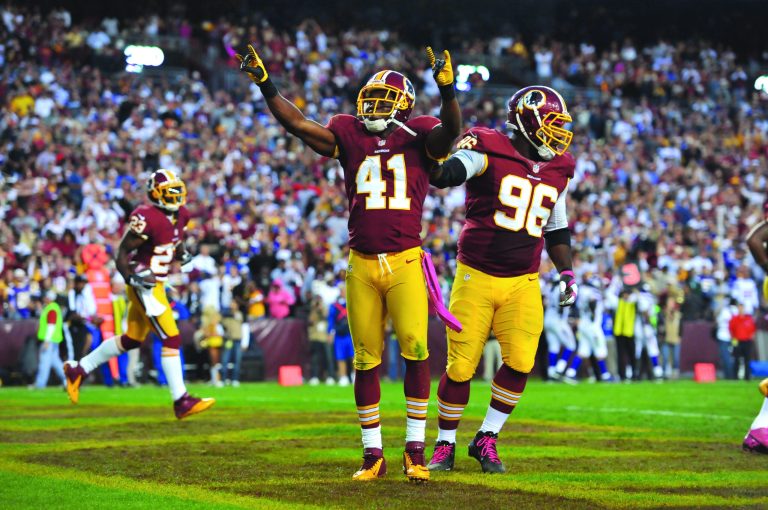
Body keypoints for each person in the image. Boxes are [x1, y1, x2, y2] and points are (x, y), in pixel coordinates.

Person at [237, 43, 461, 481]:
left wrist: (448, 90)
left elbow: (450, 132)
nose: (373, 106)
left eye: (383, 100)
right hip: (361, 263)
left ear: (404, 106)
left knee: (416, 349)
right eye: (370, 98)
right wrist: (267, 85)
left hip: (404, 261)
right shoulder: (348, 132)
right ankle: (372, 454)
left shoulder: (419, 133)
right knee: (365, 359)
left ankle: (414, 451)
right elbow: (299, 124)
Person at [426, 85, 577, 473]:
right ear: (527, 121)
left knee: (522, 362)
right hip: (476, 274)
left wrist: (567, 272)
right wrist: (439, 166)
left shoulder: (559, 167)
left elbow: (556, 227)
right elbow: (453, 171)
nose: (558, 134)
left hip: (523, 280)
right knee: (460, 368)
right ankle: (445, 443)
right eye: (552, 124)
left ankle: (486, 438)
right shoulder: (488, 145)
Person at [63, 169, 215, 419]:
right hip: (145, 285)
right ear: (156, 195)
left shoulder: (182, 214)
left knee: (132, 339)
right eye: (169, 192)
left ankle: (79, 368)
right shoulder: (146, 217)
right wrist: (131, 278)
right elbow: (122, 253)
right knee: (172, 338)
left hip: (158, 282)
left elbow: (175, 240)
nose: (176, 196)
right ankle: (181, 400)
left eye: (177, 190)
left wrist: (182, 253)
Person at [33, 291, 66, 389]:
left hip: (50, 340)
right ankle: (70, 378)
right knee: (56, 362)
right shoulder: (52, 308)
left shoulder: (51, 309)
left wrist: (47, 340)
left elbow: (51, 325)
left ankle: (40, 384)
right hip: (53, 339)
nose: (44, 299)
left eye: (45, 297)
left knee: (44, 361)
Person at [328, 286, 353, 386]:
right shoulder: (334, 306)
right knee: (340, 357)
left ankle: (355, 376)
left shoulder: (352, 303)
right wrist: (330, 332)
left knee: (353, 357)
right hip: (339, 335)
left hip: (350, 334)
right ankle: (343, 377)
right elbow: (331, 320)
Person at [221, 301, 246, 386]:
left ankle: (235, 379)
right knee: (225, 360)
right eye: (231, 304)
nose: (232, 306)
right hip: (228, 340)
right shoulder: (226, 316)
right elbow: (222, 323)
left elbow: (240, 320)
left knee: (237, 360)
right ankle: (224, 379)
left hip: (237, 340)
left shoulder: (239, 314)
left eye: (234, 304)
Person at [729, 302, 756, 381]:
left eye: (742, 308)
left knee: (747, 360)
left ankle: (747, 377)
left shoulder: (748, 319)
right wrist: (734, 340)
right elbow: (731, 330)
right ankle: (735, 377)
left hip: (747, 341)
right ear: (738, 309)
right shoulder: (734, 319)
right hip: (737, 341)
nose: (741, 309)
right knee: (736, 359)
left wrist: (751, 338)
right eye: (739, 308)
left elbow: (753, 330)